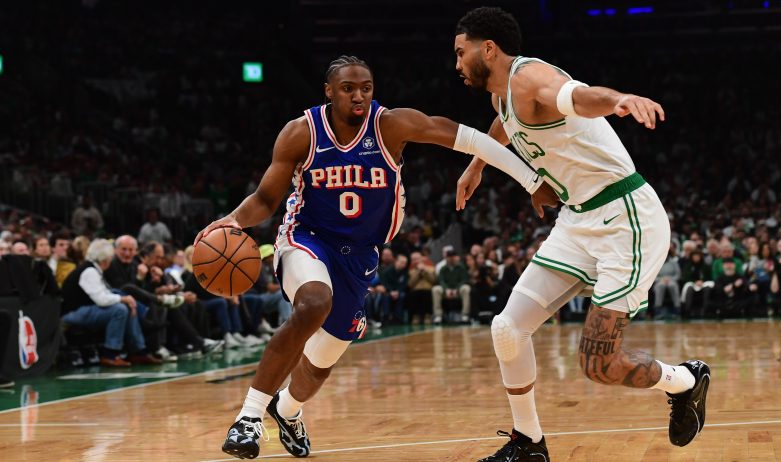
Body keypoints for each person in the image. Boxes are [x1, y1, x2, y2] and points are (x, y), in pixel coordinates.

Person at [198, 55, 557, 459]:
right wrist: (232, 220)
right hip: (307, 238)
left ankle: (287, 409)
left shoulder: (390, 125)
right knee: (314, 302)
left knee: (320, 363)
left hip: (360, 255)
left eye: (366, 88)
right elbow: (266, 199)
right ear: (329, 92)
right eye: (348, 88)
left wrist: (530, 180)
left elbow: (471, 138)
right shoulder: (301, 132)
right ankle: (248, 418)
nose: (358, 96)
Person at [452, 8, 710, 461]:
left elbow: (577, 96)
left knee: (599, 365)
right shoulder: (501, 97)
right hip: (576, 219)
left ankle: (686, 381)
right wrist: (477, 166)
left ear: (487, 49)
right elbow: (503, 127)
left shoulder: (529, 76)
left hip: (625, 218)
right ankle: (529, 443)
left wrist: (619, 99)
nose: (456, 62)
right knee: (508, 328)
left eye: (461, 51)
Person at [60, 239, 162, 367]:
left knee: (121, 300)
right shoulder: (89, 271)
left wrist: (125, 300)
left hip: (82, 309)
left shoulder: (93, 269)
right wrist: (123, 299)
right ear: (105, 260)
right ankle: (110, 354)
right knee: (119, 309)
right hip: (72, 313)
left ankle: (138, 350)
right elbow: (101, 300)